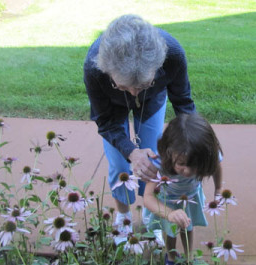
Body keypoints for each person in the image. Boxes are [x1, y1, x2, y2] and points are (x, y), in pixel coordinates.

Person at [83, 14, 196, 239]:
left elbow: (183, 103)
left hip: (153, 101)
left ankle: (149, 214)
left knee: (153, 160)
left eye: (143, 84)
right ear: (107, 72)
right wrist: (131, 153)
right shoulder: (93, 67)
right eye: (125, 86)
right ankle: (123, 217)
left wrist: (196, 142)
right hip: (112, 108)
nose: (135, 93)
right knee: (118, 164)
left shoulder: (173, 55)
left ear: (159, 66)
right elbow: (104, 121)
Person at [143, 113, 223, 265]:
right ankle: (171, 258)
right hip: (168, 200)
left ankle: (189, 256)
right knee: (170, 231)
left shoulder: (207, 155)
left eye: (194, 165)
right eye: (181, 163)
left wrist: (218, 189)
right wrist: (170, 214)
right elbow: (148, 197)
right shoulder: (160, 161)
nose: (187, 171)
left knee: (188, 227)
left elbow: (216, 167)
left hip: (191, 197)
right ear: (169, 152)